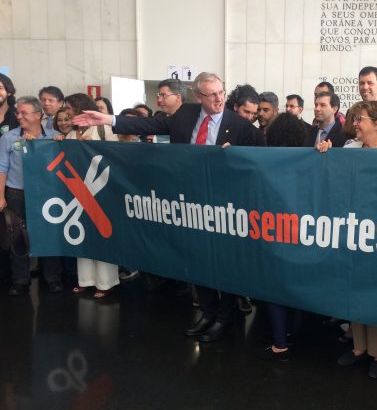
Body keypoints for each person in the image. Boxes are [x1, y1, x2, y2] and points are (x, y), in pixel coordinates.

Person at [73, 72, 261, 341]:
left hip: (223, 206)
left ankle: (224, 317)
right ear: (198, 96)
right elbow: (148, 124)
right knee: (198, 260)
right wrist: (108, 119)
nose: (219, 99)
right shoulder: (186, 115)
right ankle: (208, 312)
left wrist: (239, 156)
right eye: (212, 94)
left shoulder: (240, 125)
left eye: (221, 92)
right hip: (191, 203)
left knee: (222, 263)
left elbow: (262, 157)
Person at [317, 101, 377, 379]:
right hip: (352, 230)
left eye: (360, 119)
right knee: (353, 288)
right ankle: (358, 347)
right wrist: (325, 153)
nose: (354, 124)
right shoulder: (349, 149)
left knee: (375, 292)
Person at [0, 96, 63, 295]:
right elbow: (2, 168)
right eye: (17, 112)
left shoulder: (54, 137)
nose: (19, 116)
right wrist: (1, 196)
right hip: (16, 192)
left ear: (38, 115)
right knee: (18, 237)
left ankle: (52, 277)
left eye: (24, 113)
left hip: (47, 193)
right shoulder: (9, 138)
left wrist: (60, 143)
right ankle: (20, 279)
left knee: (49, 234)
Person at [261, 112, 309, 361]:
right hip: (298, 231)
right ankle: (291, 332)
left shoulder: (265, 161)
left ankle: (280, 342)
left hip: (271, 230)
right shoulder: (308, 161)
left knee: (274, 288)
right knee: (294, 285)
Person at [64, 94, 120, 299]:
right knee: (82, 235)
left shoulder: (103, 129)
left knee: (102, 234)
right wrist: (59, 141)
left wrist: (96, 147)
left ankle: (106, 282)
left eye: (69, 107)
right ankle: (85, 280)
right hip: (78, 189)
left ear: (79, 108)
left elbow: (117, 154)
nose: (66, 112)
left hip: (102, 189)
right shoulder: (71, 133)